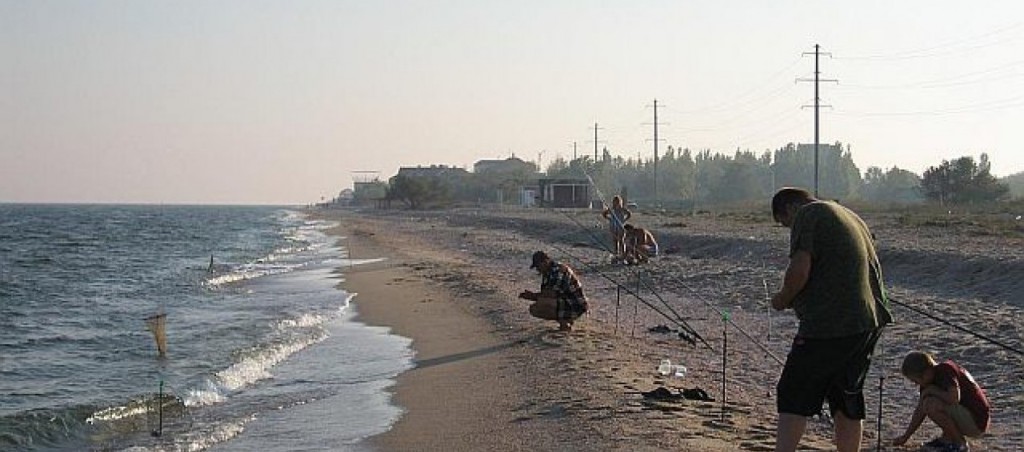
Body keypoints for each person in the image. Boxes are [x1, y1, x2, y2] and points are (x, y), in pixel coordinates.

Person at [768, 187, 894, 452]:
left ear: (790, 208)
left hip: (831, 325)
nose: (788, 227)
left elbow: (800, 267)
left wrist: (783, 297)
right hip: (868, 322)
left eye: (784, 223)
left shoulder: (809, 214)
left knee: (793, 391)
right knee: (846, 395)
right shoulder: (848, 214)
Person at [892, 351, 990, 452]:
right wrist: (906, 436)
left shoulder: (945, 370)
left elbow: (954, 398)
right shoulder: (928, 382)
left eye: (916, 381)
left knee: (931, 404)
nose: (916, 384)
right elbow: (920, 410)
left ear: (926, 373)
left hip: (977, 420)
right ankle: (948, 438)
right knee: (928, 403)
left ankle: (960, 443)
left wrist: (932, 390)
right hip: (966, 415)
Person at [518, 251, 588, 331]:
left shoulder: (558, 270)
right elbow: (547, 293)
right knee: (535, 308)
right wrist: (533, 296)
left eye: (538, 266)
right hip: (565, 301)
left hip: (576, 304)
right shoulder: (548, 272)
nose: (537, 269)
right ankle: (564, 322)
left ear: (545, 261)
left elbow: (551, 294)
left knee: (541, 306)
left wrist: (532, 296)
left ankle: (565, 323)